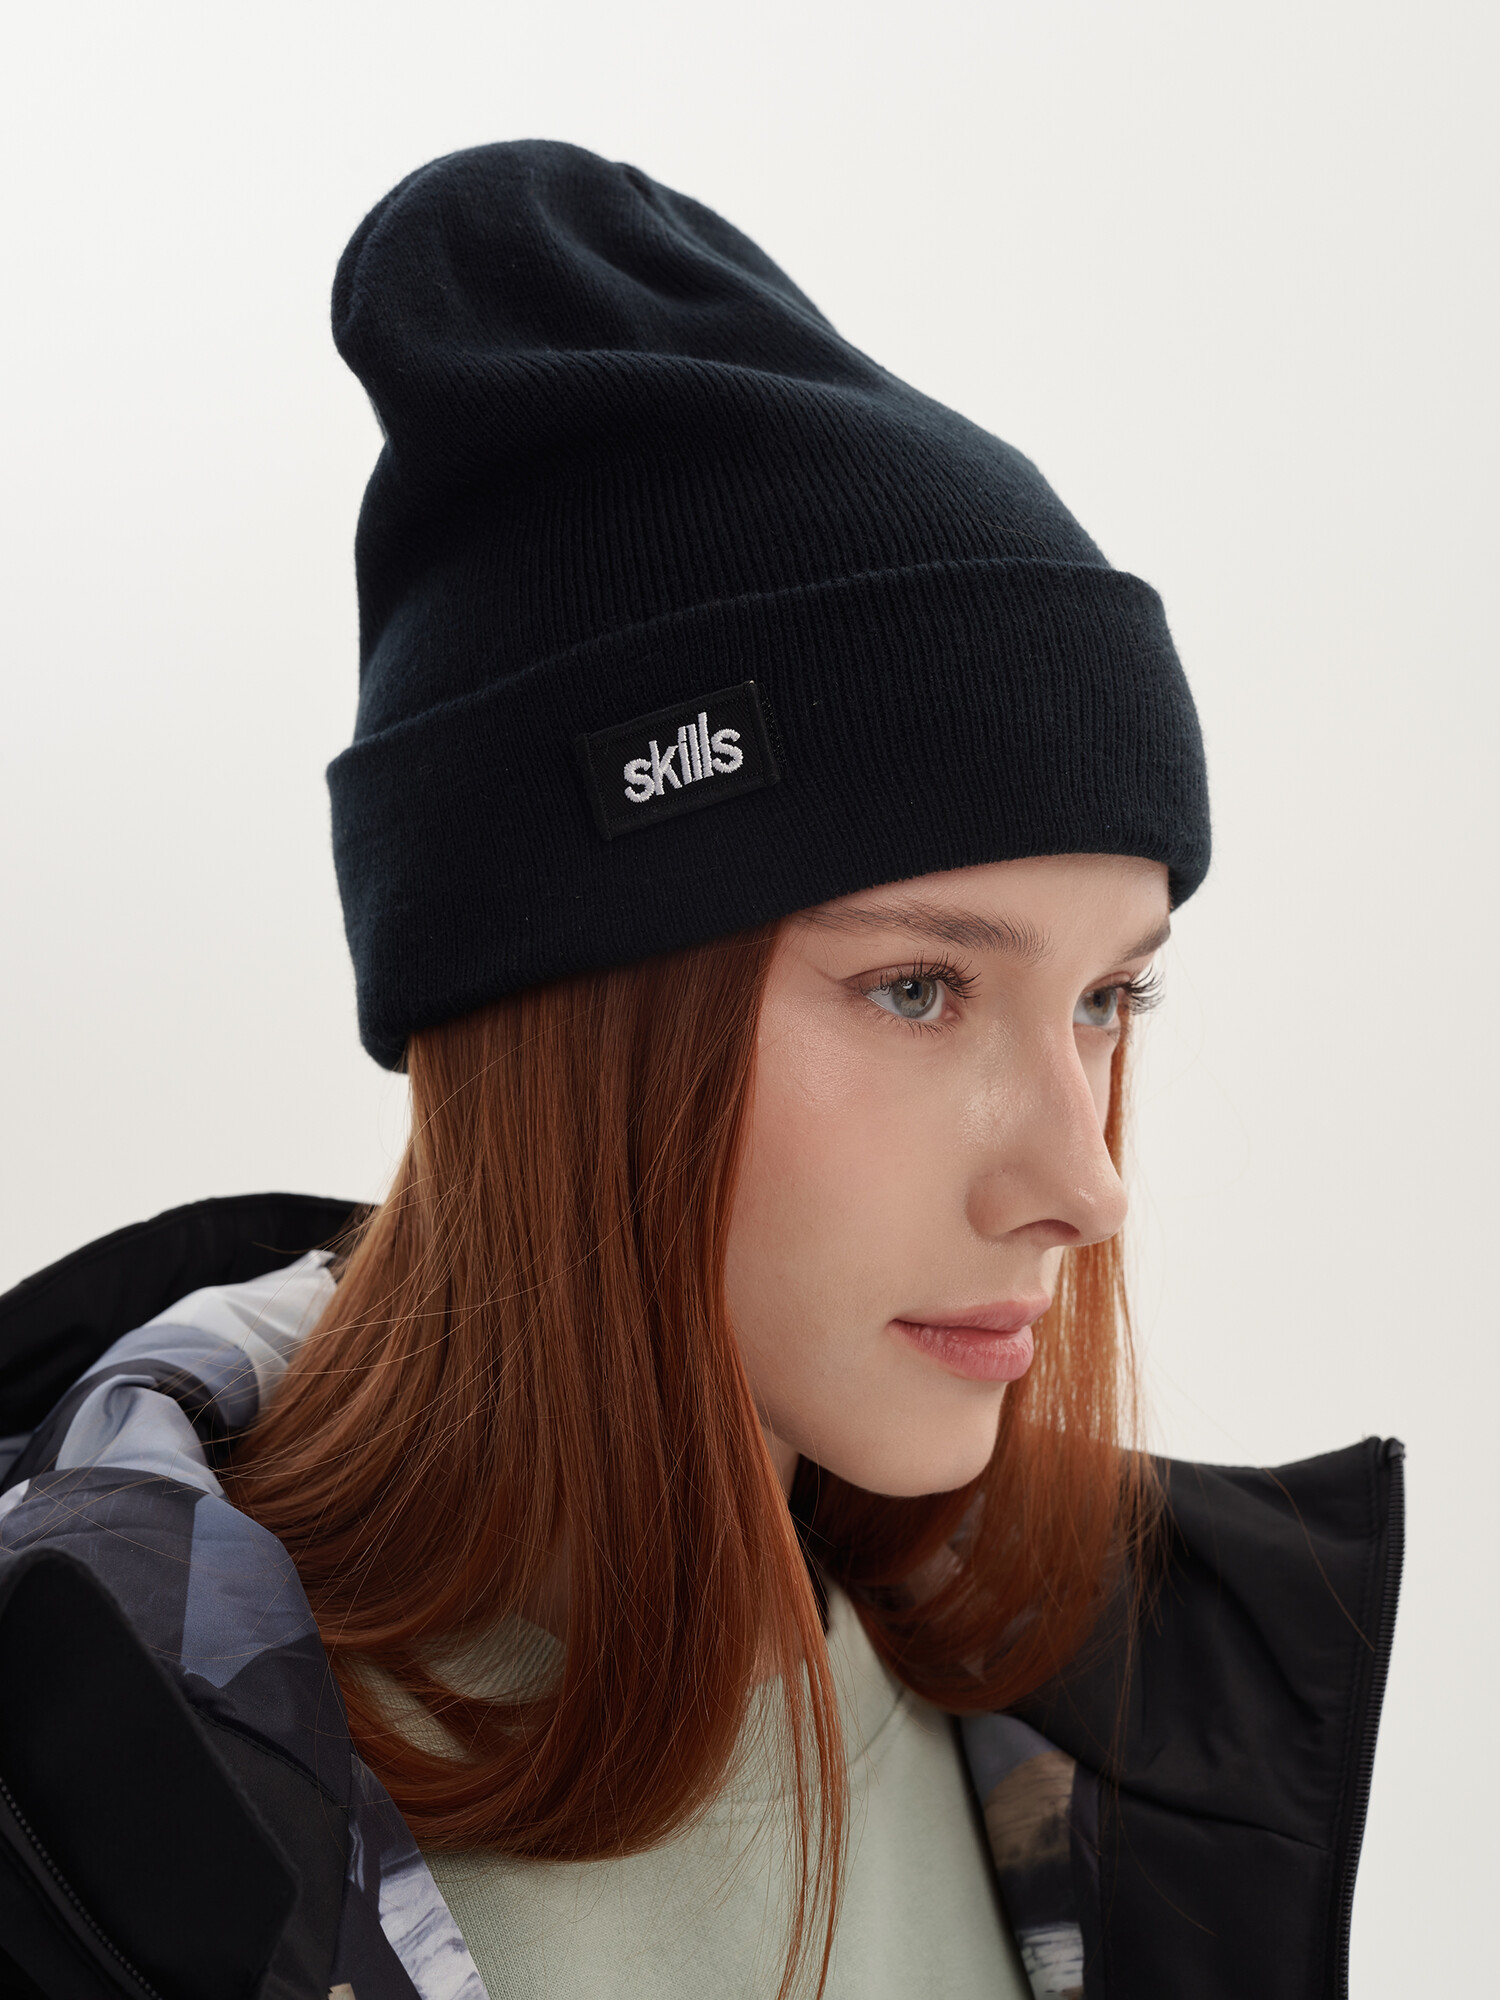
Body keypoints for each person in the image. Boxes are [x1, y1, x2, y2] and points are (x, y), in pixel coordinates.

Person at [0, 142, 1400, 2000]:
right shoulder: (92, 1809)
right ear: (565, 1017)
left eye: (1107, 999)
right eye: (919, 988)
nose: (1083, 1184)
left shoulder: (1092, 1730)